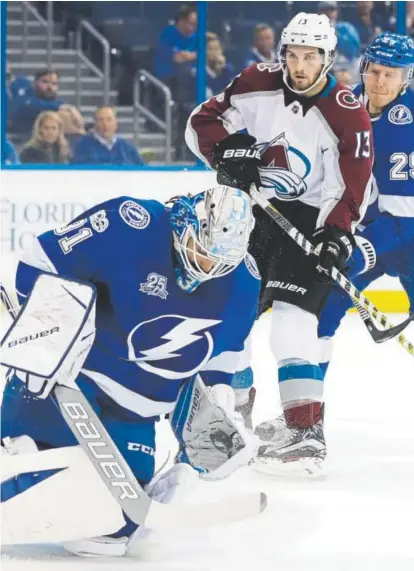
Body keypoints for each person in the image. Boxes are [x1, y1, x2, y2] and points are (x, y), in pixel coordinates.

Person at [1, 185, 260, 556]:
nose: (209, 269)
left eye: (221, 262)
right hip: (69, 384)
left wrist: (216, 415)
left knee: (108, 533)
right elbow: (39, 262)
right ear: (187, 223)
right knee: (28, 462)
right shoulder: (131, 225)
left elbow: (222, 357)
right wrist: (47, 341)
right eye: (203, 254)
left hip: (138, 415)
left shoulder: (244, 281)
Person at [185, 12, 373, 474]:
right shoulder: (255, 81)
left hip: (309, 223)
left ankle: (305, 433)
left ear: (327, 59)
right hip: (248, 215)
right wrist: (231, 154)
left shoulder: (348, 112)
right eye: (293, 54)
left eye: (311, 56)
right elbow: (200, 124)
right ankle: (234, 421)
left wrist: (335, 234)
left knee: (292, 322)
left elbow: (353, 185)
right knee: (231, 317)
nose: (300, 65)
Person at [318, 33, 414, 378]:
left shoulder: (410, 121)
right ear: (363, 68)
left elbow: (406, 217)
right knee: (320, 312)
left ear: (407, 77)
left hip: (405, 235)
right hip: (369, 231)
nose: (380, 81)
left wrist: (362, 250)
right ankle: (305, 413)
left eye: (391, 74)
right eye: (375, 71)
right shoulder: (347, 106)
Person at [72, 106, 143, 165]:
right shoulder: (83, 146)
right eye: (100, 120)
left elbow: (141, 171)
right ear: (95, 123)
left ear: (116, 123)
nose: (105, 124)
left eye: (109, 119)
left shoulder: (127, 148)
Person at [8, 69, 65, 136]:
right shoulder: (27, 97)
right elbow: (32, 105)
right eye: (45, 82)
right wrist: (60, 107)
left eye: (54, 83)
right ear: (35, 83)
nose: (50, 87)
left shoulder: (58, 104)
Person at [154, 4, 197, 85]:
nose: (194, 27)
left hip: (192, 80)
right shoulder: (168, 34)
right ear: (181, 21)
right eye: (192, 24)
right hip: (169, 81)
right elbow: (178, 58)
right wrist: (196, 55)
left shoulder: (196, 36)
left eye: (196, 24)